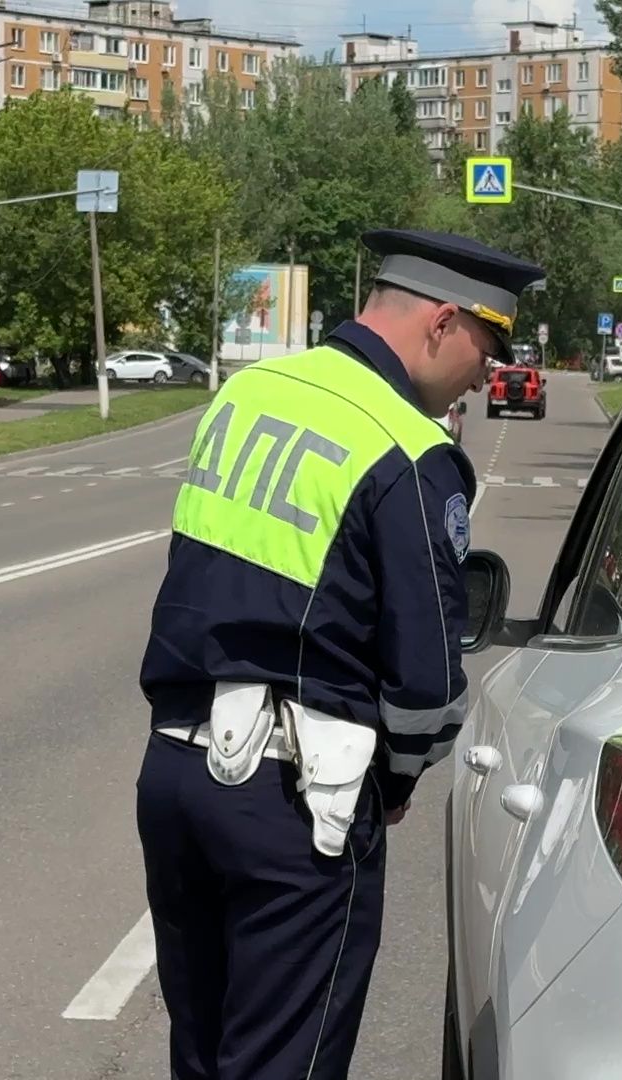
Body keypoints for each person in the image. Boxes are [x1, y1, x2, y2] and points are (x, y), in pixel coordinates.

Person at [136, 228, 544, 1080]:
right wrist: (394, 782)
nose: (486, 374)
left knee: (202, 1055)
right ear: (442, 323)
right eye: (487, 347)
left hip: (176, 775)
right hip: (297, 804)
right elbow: (425, 683)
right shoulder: (409, 451)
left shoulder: (251, 392)